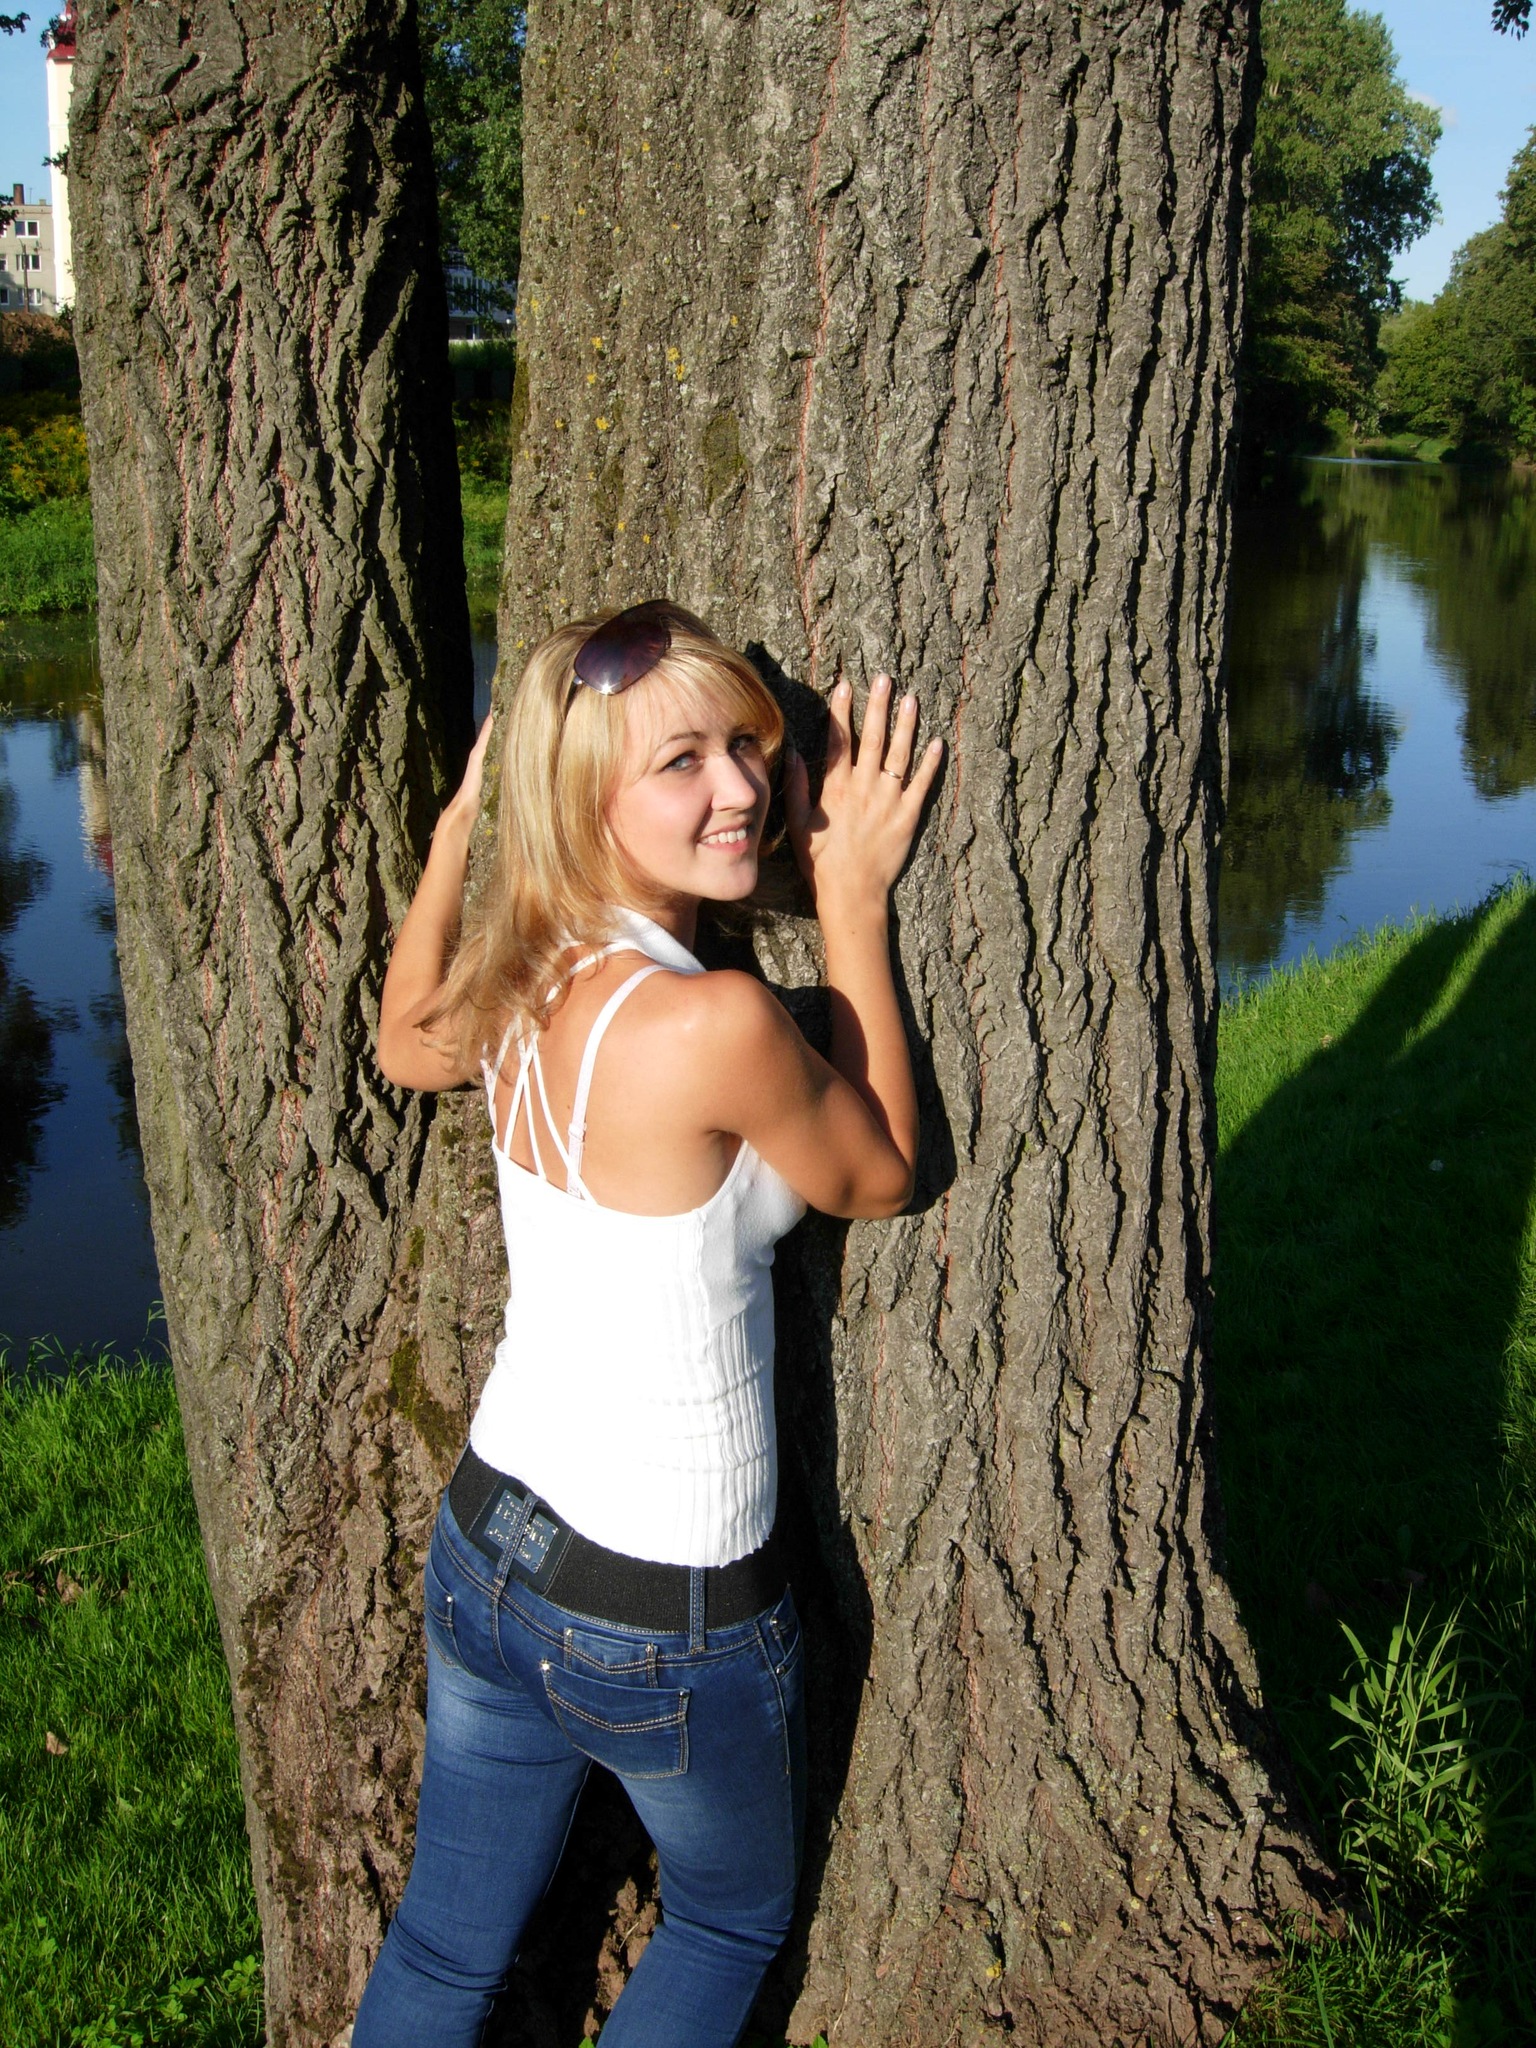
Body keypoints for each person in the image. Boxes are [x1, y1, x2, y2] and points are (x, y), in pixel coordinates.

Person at [354, 599, 942, 2048]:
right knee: (729, 1922)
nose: (740, 787)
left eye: (747, 743)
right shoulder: (717, 1023)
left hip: (487, 1548)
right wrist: (852, 900)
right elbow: (882, 1174)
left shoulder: (521, 970)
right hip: (663, 1610)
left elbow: (401, 1036)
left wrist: (460, 840)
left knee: (443, 1945)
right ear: (585, 800)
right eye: (680, 762)